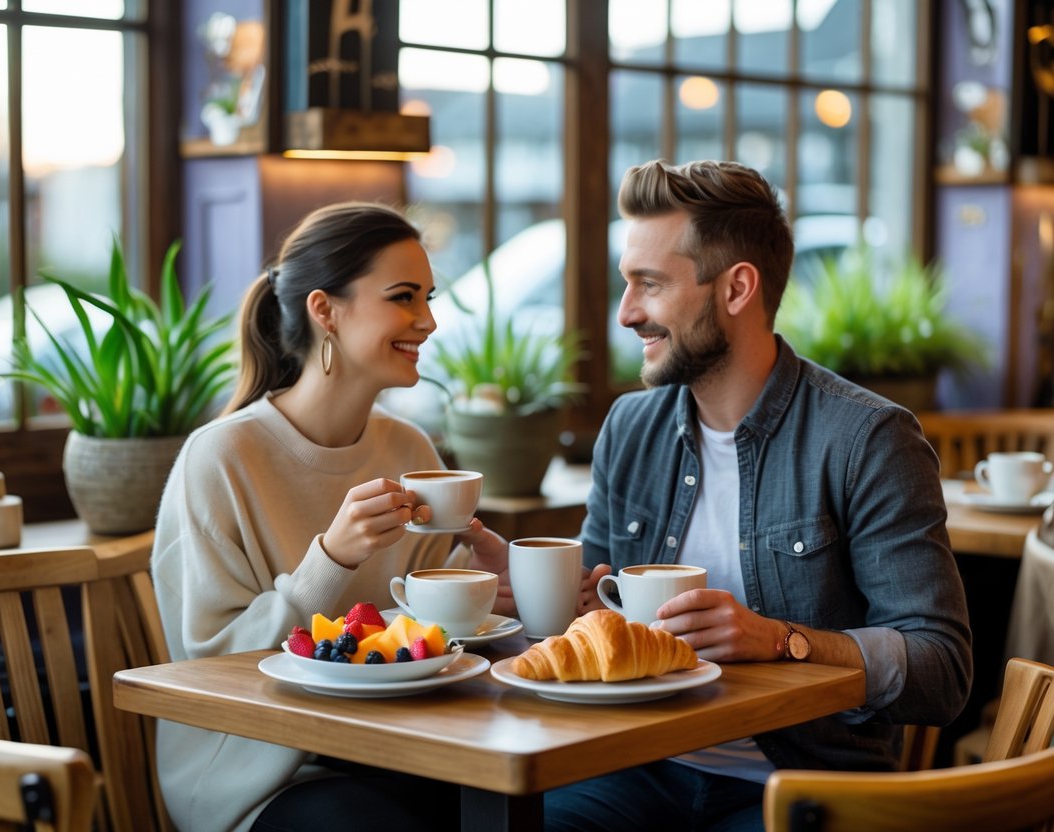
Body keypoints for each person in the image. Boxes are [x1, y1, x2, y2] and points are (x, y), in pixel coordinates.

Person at [545, 160, 972, 832]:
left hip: (797, 784)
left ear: (736, 288)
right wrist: (551, 600)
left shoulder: (865, 439)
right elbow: (598, 623)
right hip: (633, 765)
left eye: (648, 285)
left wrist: (781, 640)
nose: (626, 313)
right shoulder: (629, 427)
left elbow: (940, 668)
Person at [151, 201, 509, 831]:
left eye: (429, 297)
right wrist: (331, 560)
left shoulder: (408, 451)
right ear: (325, 311)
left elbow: (427, 626)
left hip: (397, 746)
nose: (427, 321)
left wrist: (493, 595)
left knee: (533, 806)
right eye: (403, 297)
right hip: (260, 770)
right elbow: (209, 665)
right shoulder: (222, 458)